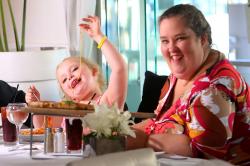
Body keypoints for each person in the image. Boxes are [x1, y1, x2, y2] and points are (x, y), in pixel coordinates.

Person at [127, 4, 250, 164]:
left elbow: (203, 156)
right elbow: (157, 120)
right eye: (165, 41)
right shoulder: (180, 75)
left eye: (180, 38)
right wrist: (122, 133)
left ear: (203, 39)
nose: (171, 48)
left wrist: (142, 141)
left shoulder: (214, 89)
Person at [25, 15, 128, 128]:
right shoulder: (66, 110)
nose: (69, 77)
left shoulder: (106, 102)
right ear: (69, 95)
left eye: (74, 69)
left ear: (94, 72)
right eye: (64, 80)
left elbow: (119, 68)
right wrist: (35, 105)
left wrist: (99, 37)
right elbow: (42, 126)